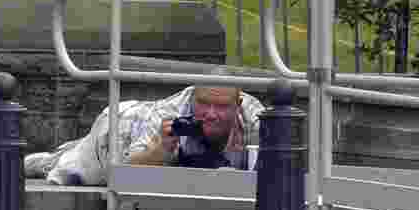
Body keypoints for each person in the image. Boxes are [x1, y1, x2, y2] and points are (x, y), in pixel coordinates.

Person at [24, 71, 266, 186]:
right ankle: (40, 161)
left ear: (238, 104)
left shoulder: (255, 117)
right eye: (204, 104)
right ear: (192, 98)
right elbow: (125, 173)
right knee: (70, 170)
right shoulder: (168, 115)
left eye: (222, 107)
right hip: (119, 129)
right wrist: (160, 151)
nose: (211, 114)